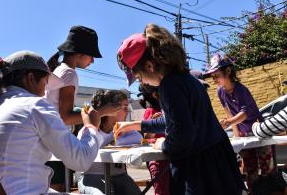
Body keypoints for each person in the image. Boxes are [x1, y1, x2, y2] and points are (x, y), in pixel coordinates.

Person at [115, 23, 245, 195]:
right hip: (218, 158)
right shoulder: (187, 78)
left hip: (199, 169)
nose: (143, 83)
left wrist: (163, 144)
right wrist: (138, 125)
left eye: (139, 77)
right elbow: (175, 119)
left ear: (149, 66)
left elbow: (182, 137)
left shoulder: (168, 87)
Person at [0, 51, 103, 195]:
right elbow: (81, 160)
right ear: (31, 78)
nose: (45, 92)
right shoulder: (34, 105)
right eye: (45, 83)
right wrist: (91, 127)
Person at [205, 53, 274, 193]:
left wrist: (228, 122)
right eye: (212, 77)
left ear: (228, 71)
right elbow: (228, 112)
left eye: (216, 75)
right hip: (244, 134)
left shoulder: (241, 90)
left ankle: (270, 191)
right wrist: (237, 138)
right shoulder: (220, 92)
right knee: (250, 168)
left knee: (267, 166)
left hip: (259, 132)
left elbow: (244, 114)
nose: (214, 80)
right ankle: (254, 191)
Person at [45, 25, 117, 126]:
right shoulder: (69, 73)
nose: (92, 61)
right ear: (80, 53)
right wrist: (102, 112)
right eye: (91, 55)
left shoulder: (59, 69)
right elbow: (65, 118)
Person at [77, 89, 142, 195]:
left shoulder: (122, 127)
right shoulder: (90, 129)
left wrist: (116, 142)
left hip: (119, 175)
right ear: (111, 109)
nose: (128, 111)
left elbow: (139, 138)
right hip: (91, 176)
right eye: (125, 107)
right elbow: (83, 151)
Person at [138, 84, 170, 195]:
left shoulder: (167, 108)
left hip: (170, 154)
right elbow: (146, 138)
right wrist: (153, 124)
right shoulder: (150, 111)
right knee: (161, 189)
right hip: (156, 158)